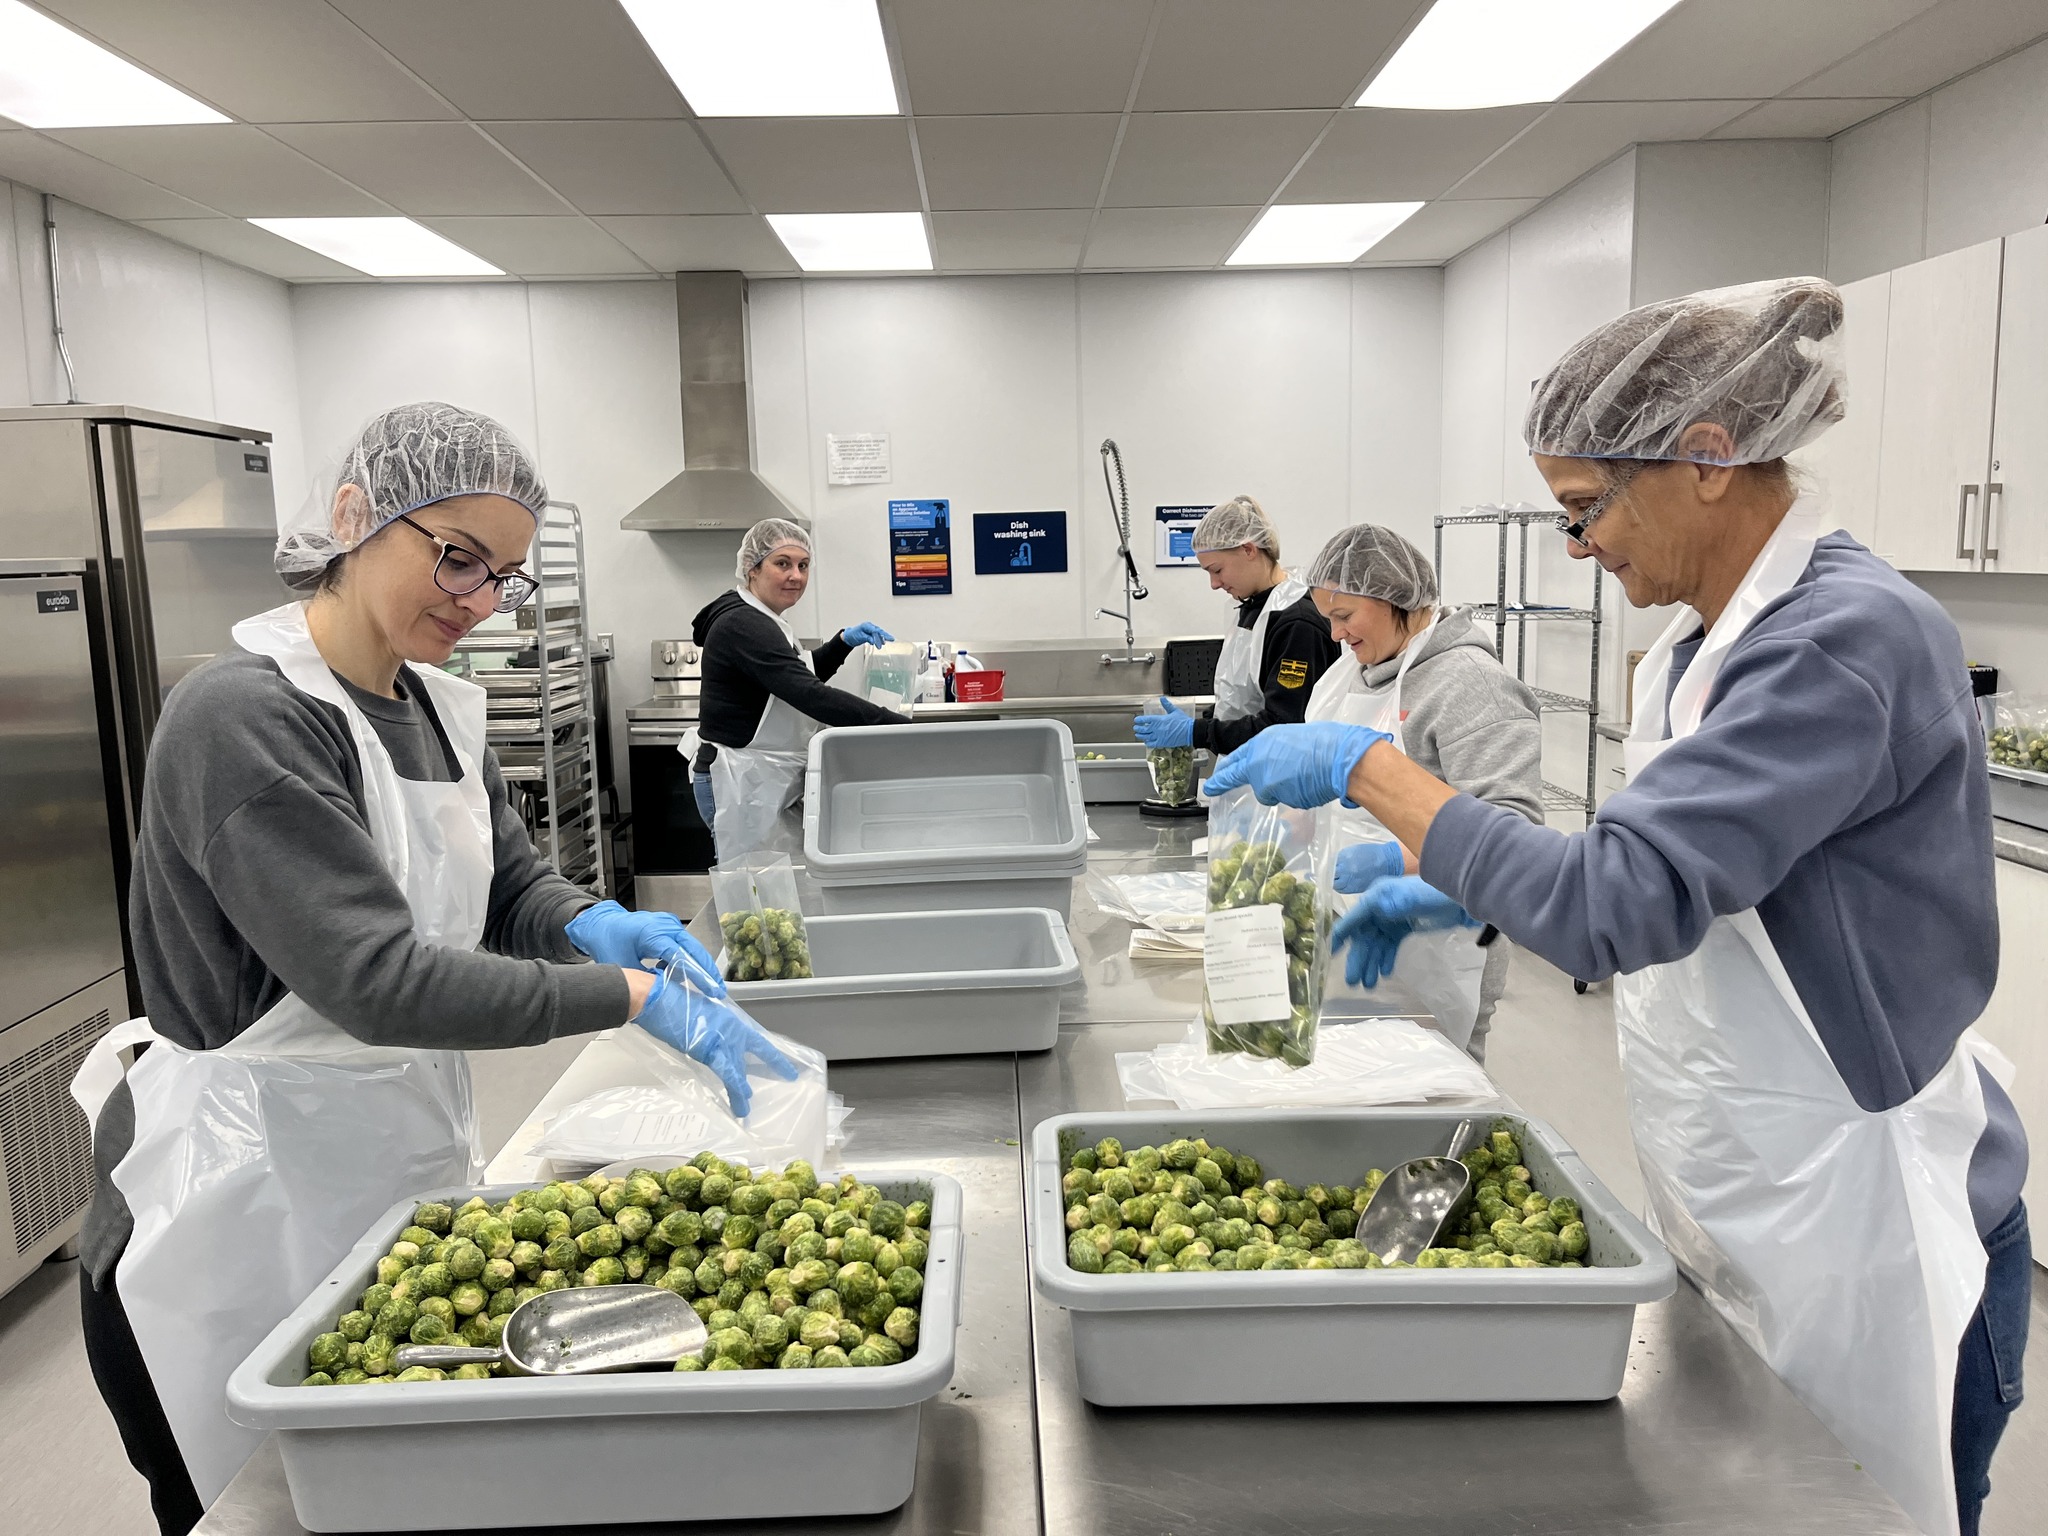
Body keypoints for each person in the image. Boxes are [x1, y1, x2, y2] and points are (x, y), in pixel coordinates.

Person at [1199, 278, 2028, 1536]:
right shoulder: (1705, 646)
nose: (1580, 549)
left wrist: (1371, 775)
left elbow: (1614, 906)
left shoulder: (1840, 640)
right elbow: (1669, 874)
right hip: (1749, 1189)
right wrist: (1429, 875)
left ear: (1703, 458)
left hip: (1867, 1217)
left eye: (1586, 511)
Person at [67, 402, 794, 1534]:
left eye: (502, 575)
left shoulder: (436, 707)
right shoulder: (242, 719)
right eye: (454, 556)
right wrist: (625, 996)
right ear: (354, 516)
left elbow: (508, 891)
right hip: (227, 1200)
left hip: (376, 1163)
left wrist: (590, 922)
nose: (477, 599)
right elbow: (378, 982)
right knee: (266, 1507)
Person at [1303, 523, 1541, 1059]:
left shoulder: (1472, 684)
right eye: (1328, 619)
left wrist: (1396, 860)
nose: (1336, 635)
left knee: (1439, 1088)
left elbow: (1514, 833)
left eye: (1345, 616)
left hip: (1442, 936)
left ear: (1398, 602)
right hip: (1350, 926)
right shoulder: (1344, 676)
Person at [690, 518, 905, 858]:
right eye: (783, 564)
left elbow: (792, 676)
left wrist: (842, 643)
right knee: (752, 894)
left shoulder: (763, 616)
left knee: (768, 891)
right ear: (752, 567)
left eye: (803, 566)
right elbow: (808, 694)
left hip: (754, 777)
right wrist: (899, 727)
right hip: (738, 781)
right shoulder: (744, 624)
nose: (796, 576)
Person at [1130, 495, 1339, 757]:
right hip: (1247, 774)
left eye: (1217, 570)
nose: (1214, 584)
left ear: (1249, 550)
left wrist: (1197, 732)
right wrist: (1208, 721)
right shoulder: (1252, 607)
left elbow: (1284, 726)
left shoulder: (1297, 622)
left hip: (1279, 788)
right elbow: (1243, 700)